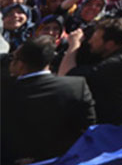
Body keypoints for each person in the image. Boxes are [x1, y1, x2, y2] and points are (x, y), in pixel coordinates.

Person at [1, 37, 96, 165]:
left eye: (13, 58)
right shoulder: (77, 87)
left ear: (21, 64)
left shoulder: (6, 90)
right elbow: (87, 130)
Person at [59, 16, 122, 125]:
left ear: (110, 44)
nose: (90, 41)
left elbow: (66, 76)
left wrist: (74, 45)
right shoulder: (115, 50)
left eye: (95, 40)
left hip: (113, 126)